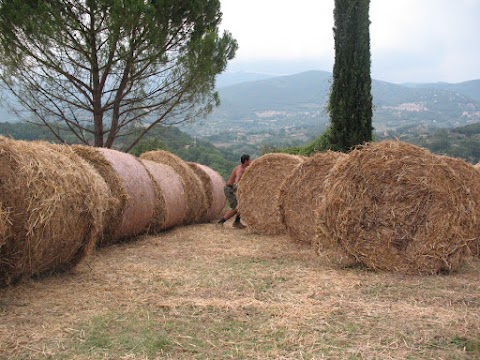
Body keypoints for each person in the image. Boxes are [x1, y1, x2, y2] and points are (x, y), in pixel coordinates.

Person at [218, 154, 251, 228]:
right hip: (230, 189)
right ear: (246, 161)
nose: (250, 161)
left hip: (233, 189)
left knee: (241, 205)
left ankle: (237, 222)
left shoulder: (244, 169)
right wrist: (237, 184)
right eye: (249, 160)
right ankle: (221, 222)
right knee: (236, 208)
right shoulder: (240, 169)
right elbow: (238, 177)